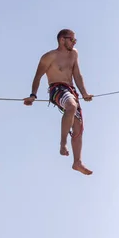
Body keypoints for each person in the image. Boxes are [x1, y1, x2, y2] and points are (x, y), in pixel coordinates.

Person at [24, 29, 93, 175]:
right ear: (62, 40)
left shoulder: (74, 54)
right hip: (57, 89)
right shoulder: (49, 57)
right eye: (72, 40)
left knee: (78, 126)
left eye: (75, 40)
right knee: (71, 106)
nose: (74, 42)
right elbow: (37, 77)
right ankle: (63, 143)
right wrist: (33, 95)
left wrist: (84, 93)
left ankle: (77, 162)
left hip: (71, 90)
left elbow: (77, 75)